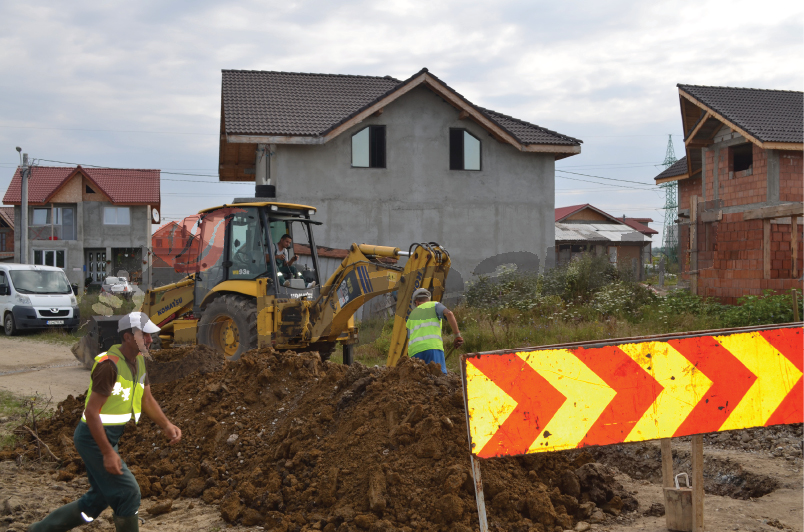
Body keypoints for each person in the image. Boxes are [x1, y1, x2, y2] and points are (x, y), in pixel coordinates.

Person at [29, 312, 181, 532]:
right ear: (128, 337)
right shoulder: (108, 366)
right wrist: (108, 452)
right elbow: (91, 413)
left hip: (108, 436)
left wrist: (167, 425)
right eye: (144, 335)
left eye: (150, 335)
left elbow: (146, 398)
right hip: (93, 437)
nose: (150, 340)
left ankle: (40, 530)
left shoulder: (138, 361)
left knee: (98, 499)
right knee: (129, 493)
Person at [406, 288, 463, 374]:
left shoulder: (411, 316)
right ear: (428, 299)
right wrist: (457, 336)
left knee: (420, 381)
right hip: (432, 348)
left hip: (414, 352)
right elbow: (449, 314)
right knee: (439, 377)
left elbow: (409, 337)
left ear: (416, 302)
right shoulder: (434, 305)